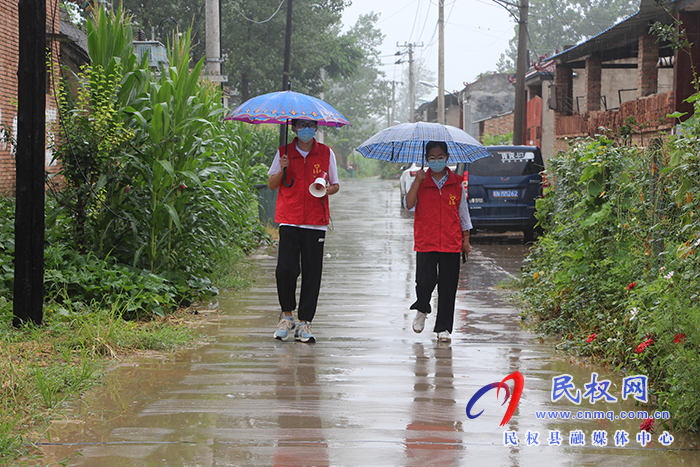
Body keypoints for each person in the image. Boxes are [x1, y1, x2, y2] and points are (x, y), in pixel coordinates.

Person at [268, 118, 340, 343]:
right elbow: (272, 183)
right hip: (289, 219)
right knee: (285, 270)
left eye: (310, 126)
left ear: (316, 128)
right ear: (294, 128)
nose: (306, 130)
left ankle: (304, 323)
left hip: (315, 222)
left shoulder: (326, 153)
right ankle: (286, 316)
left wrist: (328, 189)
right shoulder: (284, 153)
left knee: (312, 273)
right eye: (301, 126)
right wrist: (283, 168)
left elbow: (336, 185)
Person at [404, 141, 472, 343]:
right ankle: (422, 309)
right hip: (426, 240)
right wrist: (417, 181)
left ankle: (443, 328)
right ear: (426, 159)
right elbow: (408, 205)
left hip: (451, 241)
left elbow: (463, 213)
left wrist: (466, 239)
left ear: (447, 158)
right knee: (424, 281)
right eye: (432, 158)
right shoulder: (420, 181)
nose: (436, 161)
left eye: (440, 157)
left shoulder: (456, 183)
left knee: (448, 286)